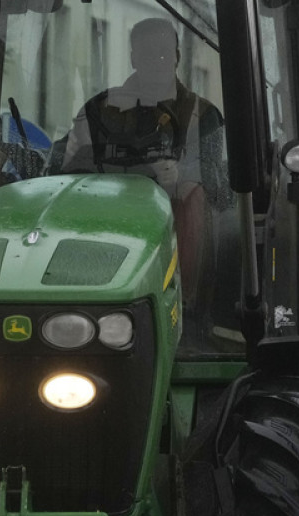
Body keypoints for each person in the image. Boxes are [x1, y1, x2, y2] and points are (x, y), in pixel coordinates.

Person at [60, 18, 225, 316]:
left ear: (176, 56)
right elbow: (66, 164)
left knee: (194, 195)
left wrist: (180, 177)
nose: (157, 61)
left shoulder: (203, 115)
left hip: (170, 218)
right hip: (104, 212)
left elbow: (214, 181)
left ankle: (186, 305)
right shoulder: (99, 110)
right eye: (148, 54)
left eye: (164, 53)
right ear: (134, 57)